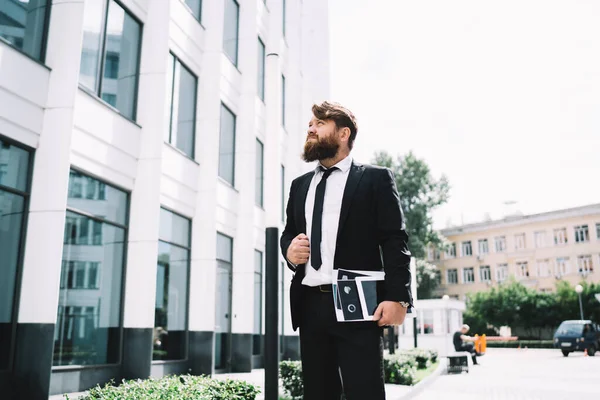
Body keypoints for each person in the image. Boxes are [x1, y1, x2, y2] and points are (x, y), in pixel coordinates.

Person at [280, 101, 413, 400]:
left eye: (319, 123)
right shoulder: (299, 185)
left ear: (343, 133)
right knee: (318, 393)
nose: (310, 129)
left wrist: (398, 298)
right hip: (311, 304)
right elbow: (289, 232)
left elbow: (395, 240)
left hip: (359, 305)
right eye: (310, 124)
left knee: (364, 391)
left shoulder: (375, 179)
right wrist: (289, 249)